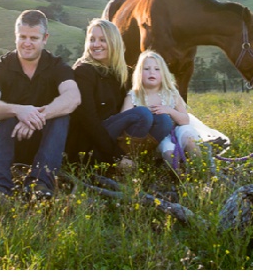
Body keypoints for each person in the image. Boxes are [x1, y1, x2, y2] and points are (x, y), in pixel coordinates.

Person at [0, 10, 80, 201]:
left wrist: (37, 116)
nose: (27, 43)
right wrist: (19, 111)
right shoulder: (1, 66)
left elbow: (73, 97)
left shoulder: (56, 65)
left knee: (61, 117)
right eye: (22, 37)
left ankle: (40, 184)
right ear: (15, 36)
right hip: (10, 141)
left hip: (46, 144)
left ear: (45, 39)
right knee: (5, 118)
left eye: (33, 38)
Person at [67, 19, 175, 172]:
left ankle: (134, 161)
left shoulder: (123, 72)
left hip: (117, 137)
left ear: (114, 42)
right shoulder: (83, 72)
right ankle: (119, 163)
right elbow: (88, 119)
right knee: (142, 114)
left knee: (164, 121)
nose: (96, 45)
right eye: (92, 40)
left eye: (102, 40)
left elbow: (156, 89)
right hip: (90, 141)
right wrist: (115, 155)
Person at [127, 51, 226, 173]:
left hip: (177, 127)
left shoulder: (171, 94)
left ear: (163, 73)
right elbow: (125, 121)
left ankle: (201, 171)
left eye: (157, 69)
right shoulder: (133, 96)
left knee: (189, 138)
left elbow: (185, 120)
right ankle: (179, 177)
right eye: (146, 69)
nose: (152, 72)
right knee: (169, 152)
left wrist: (169, 110)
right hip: (156, 135)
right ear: (139, 73)